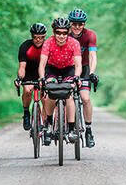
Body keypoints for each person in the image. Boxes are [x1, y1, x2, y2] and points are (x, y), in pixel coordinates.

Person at [38, 17, 82, 145]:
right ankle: (49, 124)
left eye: (64, 33)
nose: (61, 36)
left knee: (68, 95)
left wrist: (77, 77)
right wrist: (41, 78)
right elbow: (42, 64)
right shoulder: (48, 42)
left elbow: (78, 65)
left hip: (69, 69)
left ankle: (71, 129)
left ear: (68, 32)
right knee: (51, 92)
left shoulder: (74, 43)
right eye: (58, 32)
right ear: (54, 32)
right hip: (52, 69)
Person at [67, 8, 99, 148]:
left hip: (85, 68)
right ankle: (66, 123)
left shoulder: (90, 35)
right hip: (68, 68)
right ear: (70, 23)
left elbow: (92, 55)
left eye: (81, 24)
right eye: (74, 23)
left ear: (84, 24)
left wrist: (91, 72)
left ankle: (89, 130)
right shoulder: (64, 34)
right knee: (65, 94)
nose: (77, 27)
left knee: (85, 98)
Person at [15, 23, 47, 131]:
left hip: (43, 73)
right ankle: (26, 113)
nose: (38, 40)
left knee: (45, 97)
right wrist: (19, 78)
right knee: (27, 91)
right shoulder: (25, 46)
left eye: (41, 37)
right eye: (35, 37)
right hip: (28, 73)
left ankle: (45, 121)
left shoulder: (48, 46)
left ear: (45, 36)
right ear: (31, 36)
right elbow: (22, 67)